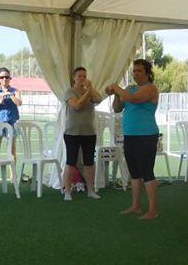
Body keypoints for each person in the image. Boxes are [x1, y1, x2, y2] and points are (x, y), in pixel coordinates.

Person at [107, 59, 159, 219]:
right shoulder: (129, 89)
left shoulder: (150, 88)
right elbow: (117, 108)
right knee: (134, 173)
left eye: (139, 71)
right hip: (130, 135)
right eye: (134, 71)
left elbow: (134, 99)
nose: (136, 73)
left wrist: (117, 88)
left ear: (147, 73)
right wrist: (116, 94)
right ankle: (136, 206)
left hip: (146, 135)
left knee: (147, 173)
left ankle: (152, 210)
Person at [63, 66, 103, 201]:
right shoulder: (70, 91)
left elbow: (99, 99)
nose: (82, 79)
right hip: (72, 132)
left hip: (89, 132)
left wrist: (90, 89)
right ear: (74, 78)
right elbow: (77, 105)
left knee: (89, 162)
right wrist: (88, 93)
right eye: (79, 76)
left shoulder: (90, 91)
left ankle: (91, 190)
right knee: (71, 162)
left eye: (84, 76)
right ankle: (67, 191)